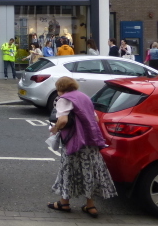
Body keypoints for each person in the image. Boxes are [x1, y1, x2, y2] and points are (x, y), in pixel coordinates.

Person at [47, 76, 117, 217]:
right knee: (89, 171)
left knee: (68, 170)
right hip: (91, 140)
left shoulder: (64, 99)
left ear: (61, 88)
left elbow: (63, 120)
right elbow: (95, 118)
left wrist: (54, 130)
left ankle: (64, 203)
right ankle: (90, 206)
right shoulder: (84, 97)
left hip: (75, 141)